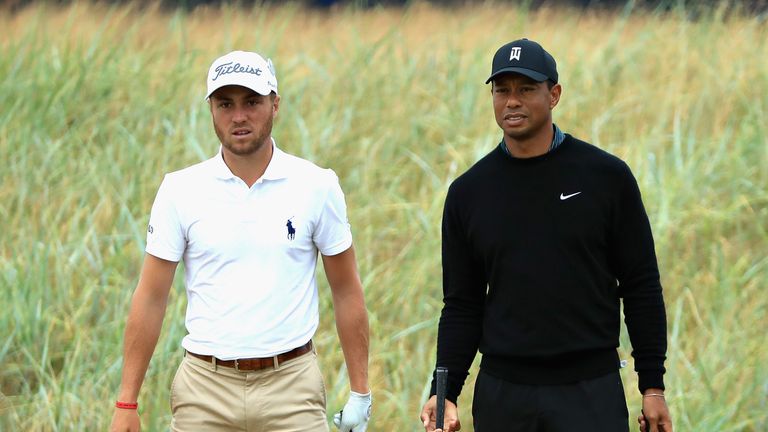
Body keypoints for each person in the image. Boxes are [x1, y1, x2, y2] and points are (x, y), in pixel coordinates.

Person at [419, 38, 673, 432]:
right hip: (504, 394)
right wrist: (444, 390)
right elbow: (462, 304)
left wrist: (652, 386)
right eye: (502, 90)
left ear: (554, 94)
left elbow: (640, 285)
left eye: (526, 89)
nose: (512, 102)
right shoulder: (469, 192)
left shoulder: (606, 177)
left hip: (590, 390)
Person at [110, 50, 371, 432]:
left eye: (252, 102)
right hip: (204, 390)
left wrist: (360, 394)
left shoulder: (317, 185)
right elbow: (150, 296)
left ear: (275, 104)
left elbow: (347, 290)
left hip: (292, 388)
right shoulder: (180, 190)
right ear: (212, 110)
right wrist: (126, 403)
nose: (239, 116)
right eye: (225, 104)